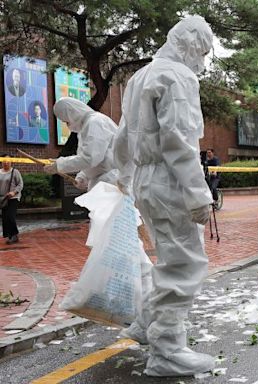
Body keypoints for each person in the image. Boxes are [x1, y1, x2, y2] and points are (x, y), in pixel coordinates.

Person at [113, 15, 215, 377]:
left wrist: (124, 176)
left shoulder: (139, 76)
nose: (201, 61)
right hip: (169, 181)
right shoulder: (178, 77)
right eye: (201, 51)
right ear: (189, 44)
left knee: (168, 257)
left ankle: (146, 324)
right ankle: (167, 349)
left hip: (145, 179)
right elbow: (180, 139)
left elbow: (123, 136)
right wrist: (197, 194)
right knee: (183, 264)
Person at [43, 97, 118, 191]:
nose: (67, 125)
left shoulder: (95, 122)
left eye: (66, 121)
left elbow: (90, 158)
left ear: (71, 114)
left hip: (112, 183)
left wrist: (60, 164)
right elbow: (93, 159)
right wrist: (83, 176)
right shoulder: (87, 126)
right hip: (105, 183)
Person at [0, 158, 23, 244]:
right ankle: (10, 236)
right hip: (3, 198)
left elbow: (20, 184)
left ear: (11, 162)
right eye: (4, 162)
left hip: (13, 198)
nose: (6, 163)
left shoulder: (15, 172)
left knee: (10, 216)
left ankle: (14, 235)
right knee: (5, 218)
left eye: (8, 162)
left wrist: (14, 192)